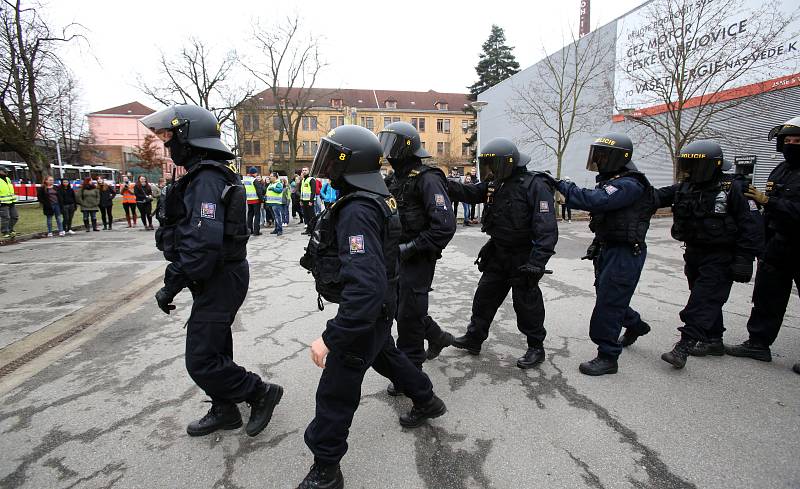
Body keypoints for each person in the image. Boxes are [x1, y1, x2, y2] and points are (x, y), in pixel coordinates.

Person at [298, 125, 446, 489]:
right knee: (386, 355)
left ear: (351, 164)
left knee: (336, 388)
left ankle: (326, 468)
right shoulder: (373, 197)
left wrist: (332, 338)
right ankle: (426, 400)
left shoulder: (359, 209)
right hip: (381, 307)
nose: (327, 165)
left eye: (333, 159)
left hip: (369, 309)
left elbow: (364, 288)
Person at [141, 104, 283, 438]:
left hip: (220, 276)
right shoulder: (204, 174)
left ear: (189, 137)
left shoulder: (206, 178)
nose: (166, 144)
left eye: (170, 137)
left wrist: (171, 284)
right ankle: (224, 409)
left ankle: (259, 392)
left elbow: (201, 244)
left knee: (201, 359)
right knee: (215, 347)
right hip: (216, 275)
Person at [444, 137, 558, 369]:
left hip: (523, 255)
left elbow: (546, 228)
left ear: (508, 163)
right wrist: (441, 182)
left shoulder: (534, 184)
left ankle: (536, 347)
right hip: (498, 251)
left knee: (526, 304)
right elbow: (469, 192)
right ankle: (474, 338)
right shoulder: (497, 183)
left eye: (493, 164)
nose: (490, 170)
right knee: (484, 297)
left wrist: (537, 262)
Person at [652, 140, 764, 369]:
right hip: (694, 252)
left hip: (722, 255)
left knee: (702, 300)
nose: (692, 171)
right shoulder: (686, 186)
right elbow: (655, 196)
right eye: (688, 165)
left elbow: (751, 226)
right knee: (706, 297)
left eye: (698, 166)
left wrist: (745, 258)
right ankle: (714, 340)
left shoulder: (734, 188)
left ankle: (684, 346)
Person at [555, 134, 656, 376]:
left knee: (609, 303)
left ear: (619, 158)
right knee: (609, 295)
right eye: (596, 155)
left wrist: (561, 184)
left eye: (603, 155)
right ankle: (635, 324)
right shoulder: (615, 180)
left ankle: (608, 356)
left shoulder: (629, 184)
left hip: (624, 252)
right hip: (609, 247)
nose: (598, 160)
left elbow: (593, 200)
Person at [379, 121, 457, 382]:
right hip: (396, 256)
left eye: (392, 145)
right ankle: (437, 337)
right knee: (402, 308)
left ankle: (411, 377)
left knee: (408, 317)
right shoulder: (393, 179)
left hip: (418, 256)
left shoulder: (428, 178)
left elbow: (444, 226)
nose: (388, 151)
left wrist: (410, 248)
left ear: (406, 148)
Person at [726, 117, 800, 374]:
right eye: (787, 140)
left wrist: (768, 201)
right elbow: (766, 211)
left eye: (797, 141)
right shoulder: (780, 170)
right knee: (767, 296)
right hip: (777, 245)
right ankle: (758, 343)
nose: (791, 145)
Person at [0, 166, 18, 239]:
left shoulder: (8, 179)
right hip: (2, 203)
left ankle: (10, 229)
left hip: (11, 202)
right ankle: (5, 232)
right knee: (6, 218)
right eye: (5, 171)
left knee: (15, 217)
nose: (6, 172)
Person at [243, 167, 262, 236]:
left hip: (249, 200)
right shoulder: (254, 180)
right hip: (256, 200)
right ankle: (256, 231)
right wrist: (261, 200)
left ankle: (249, 230)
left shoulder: (245, 180)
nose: (257, 174)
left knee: (250, 215)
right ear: (254, 173)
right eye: (256, 172)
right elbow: (259, 191)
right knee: (257, 215)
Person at [300, 167, 317, 234]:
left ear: (308, 171)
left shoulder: (311, 179)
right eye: (303, 170)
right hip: (304, 201)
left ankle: (313, 231)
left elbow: (313, 191)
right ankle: (308, 230)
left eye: (305, 170)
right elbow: (302, 191)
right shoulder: (303, 180)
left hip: (309, 201)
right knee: (306, 216)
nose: (304, 171)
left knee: (311, 216)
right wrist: (301, 200)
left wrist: (311, 201)